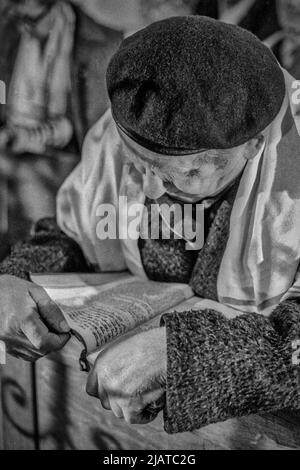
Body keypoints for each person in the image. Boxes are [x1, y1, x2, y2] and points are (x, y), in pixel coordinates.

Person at [1, 16, 300, 433]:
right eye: (136, 163)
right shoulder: (121, 132)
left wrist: (187, 358)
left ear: (253, 145)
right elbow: (77, 232)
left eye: (182, 173)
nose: (150, 189)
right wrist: (12, 279)